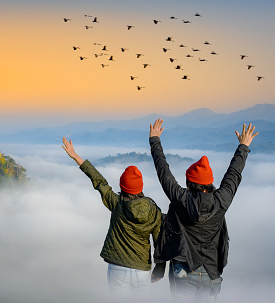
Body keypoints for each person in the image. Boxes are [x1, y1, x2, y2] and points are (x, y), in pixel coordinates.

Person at [148, 119, 258, 302]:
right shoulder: (222, 199)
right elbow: (234, 174)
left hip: (183, 268)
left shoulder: (181, 199)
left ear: (189, 182)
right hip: (211, 270)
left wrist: (155, 141)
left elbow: (163, 172)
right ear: (210, 183)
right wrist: (243, 147)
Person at [62, 137, 162, 295]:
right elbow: (159, 240)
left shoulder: (117, 203)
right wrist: (160, 268)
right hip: (142, 269)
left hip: (118, 268)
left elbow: (99, 181)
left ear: (123, 186)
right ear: (140, 187)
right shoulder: (154, 210)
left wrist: (75, 156)